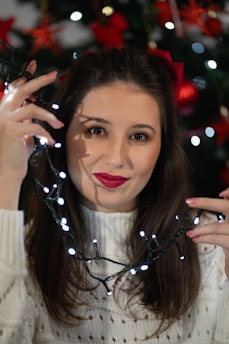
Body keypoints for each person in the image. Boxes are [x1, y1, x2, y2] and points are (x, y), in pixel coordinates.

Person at [0, 46, 228, 344]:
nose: (116, 159)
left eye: (139, 136)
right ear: (61, 137)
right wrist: (6, 178)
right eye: (96, 130)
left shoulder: (213, 252)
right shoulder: (18, 256)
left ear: (163, 149)